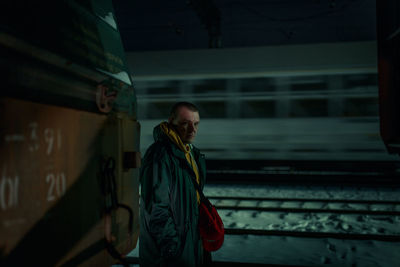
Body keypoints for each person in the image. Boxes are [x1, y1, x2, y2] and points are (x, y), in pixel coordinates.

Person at [139, 102, 210, 267]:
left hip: (188, 248)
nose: (193, 129)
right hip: (169, 256)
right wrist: (173, 250)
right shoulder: (160, 155)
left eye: (196, 124)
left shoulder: (191, 154)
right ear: (172, 121)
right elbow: (156, 209)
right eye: (185, 123)